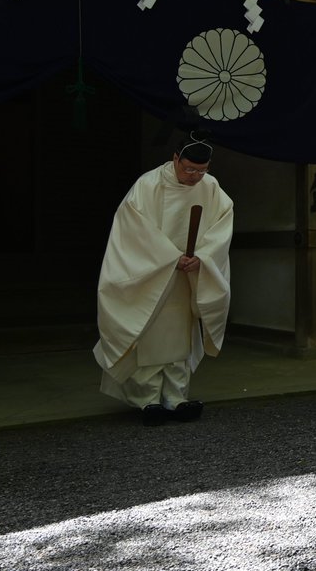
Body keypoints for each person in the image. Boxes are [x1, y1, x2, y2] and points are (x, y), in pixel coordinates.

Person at [94, 134, 232, 426]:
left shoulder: (211, 187)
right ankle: (148, 399)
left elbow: (221, 227)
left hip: (187, 277)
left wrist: (203, 257)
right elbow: (133, 230)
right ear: (175, 159)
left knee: (180, 339)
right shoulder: (148, 185)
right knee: (149, 335)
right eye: (189, 169)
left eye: (201, 170)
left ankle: (176, 396)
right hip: (152, 275)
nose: (195, 176)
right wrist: (169, 258)